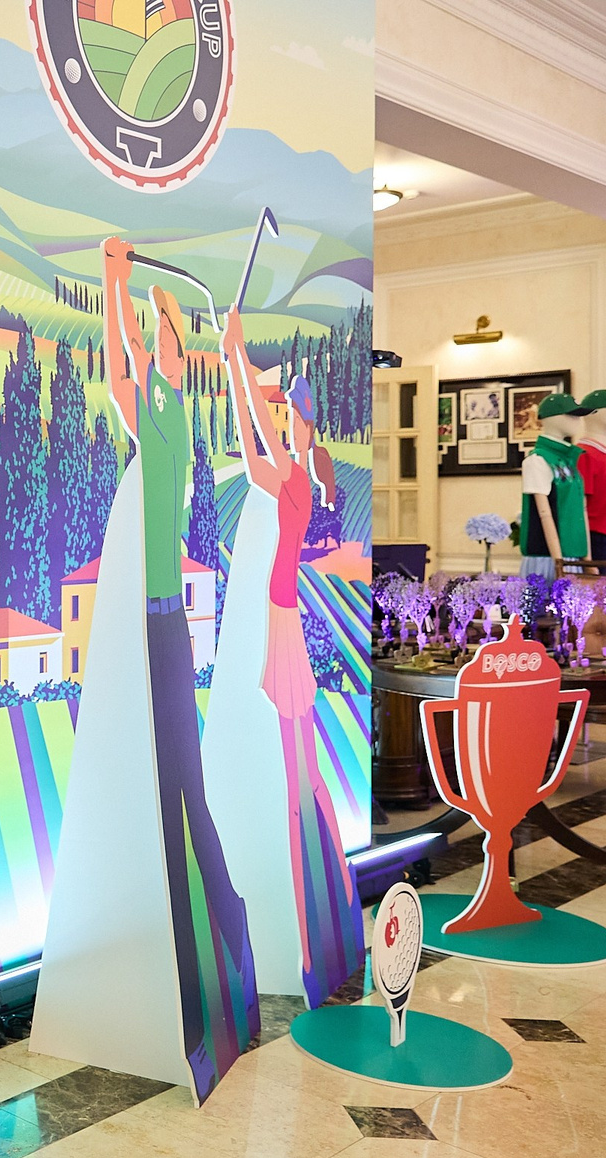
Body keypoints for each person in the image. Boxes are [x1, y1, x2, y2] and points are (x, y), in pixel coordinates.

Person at [101, 237, 258, 1095]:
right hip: (149, 623)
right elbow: (120, 359)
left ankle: (208, 929)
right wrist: (117, 281)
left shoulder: (170, 417)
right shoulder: (150, 406)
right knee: (169, 783)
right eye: (157, 336)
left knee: (182, 783)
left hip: (164, 625)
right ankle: (190, 931)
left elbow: (133, 358)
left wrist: (131, 289)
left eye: (166, 337)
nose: (157, 345)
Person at [220, 306, 363, 1007]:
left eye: (286, 412)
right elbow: (251, 451)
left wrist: (238, 359)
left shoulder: (299, 477)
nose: (279, 418)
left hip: (280, 625)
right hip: (277, 623)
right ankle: (316, 933)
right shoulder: (287, 476)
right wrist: (233, 368)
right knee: (295, 775)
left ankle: (310, 937)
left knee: (297, 780)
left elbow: (263, 441)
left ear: (299, 423)